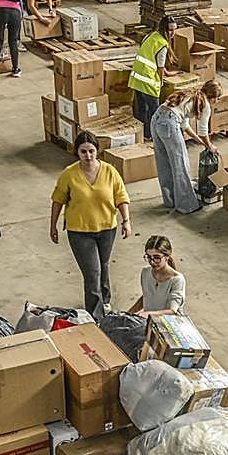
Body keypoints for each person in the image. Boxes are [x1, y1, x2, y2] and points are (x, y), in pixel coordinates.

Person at [50, 131, 132, 318]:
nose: (88, 156)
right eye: (83, 151)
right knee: (92, 272)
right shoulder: (69, 174)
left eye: (91, 151)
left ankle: (105, 300)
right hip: (79, 232)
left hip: (107, 229)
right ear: (77, 152)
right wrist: (53, 225)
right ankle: (96, 315)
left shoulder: (110, 171)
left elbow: (121, 196)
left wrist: (126, 220)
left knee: (103, 265)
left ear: (98, 151)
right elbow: (58, 200)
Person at [152, 84, 219, 214]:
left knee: (164, 164)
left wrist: (200, 142)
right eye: (217, 98)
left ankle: (170, 200)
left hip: (157, 119)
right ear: (212, 97)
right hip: (170, 124)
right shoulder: (205, 105)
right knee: (180, 165)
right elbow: (203, 131)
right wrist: (210, 145)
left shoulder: (191, 95)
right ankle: (186, 205)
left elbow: (184, 124)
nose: (217, 101)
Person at [130, 15, 178, 142]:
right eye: (170, 30)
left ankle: (144, 135)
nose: (173, 33)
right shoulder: (162, 44)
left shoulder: (151, 36)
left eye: (174, 29)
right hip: (148, 81)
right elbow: (160, 66)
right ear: (164, 30)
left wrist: (166, 72)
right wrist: (161, 80)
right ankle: (154, 136)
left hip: (137, 78)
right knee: (155, 112)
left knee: (141, 109)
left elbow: (151, 58)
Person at [129, 235, 186, 317]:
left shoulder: (177, 280)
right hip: (150, 321)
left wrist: (148, 313)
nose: (152, 262)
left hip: (171, 323)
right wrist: (127, 314)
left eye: (157, 257)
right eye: (148, 257)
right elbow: (146, 297)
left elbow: (172, 311)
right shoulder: (145, 272)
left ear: (167, 257)